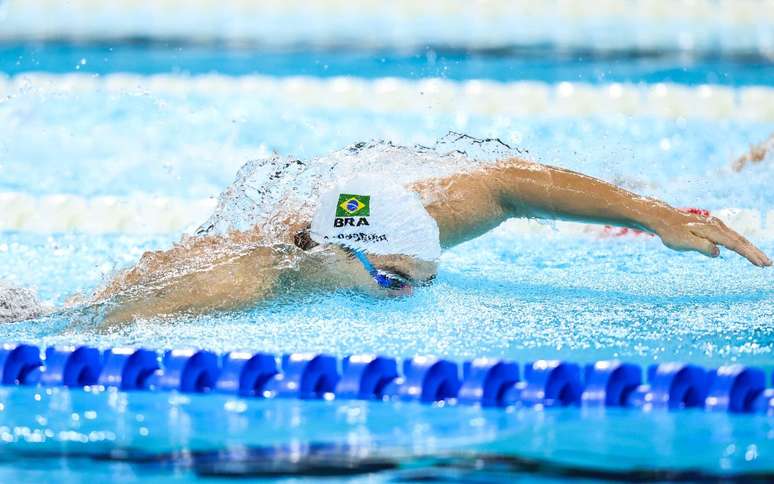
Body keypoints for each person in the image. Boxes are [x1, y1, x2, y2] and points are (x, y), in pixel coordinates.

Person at [80, 147, 770, 325]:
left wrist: (655, 216)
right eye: (394, 282)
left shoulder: (394, 223)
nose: (407, 294)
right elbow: (82, 332)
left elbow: (506, 184)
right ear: (335, 253)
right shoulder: (237, 279)